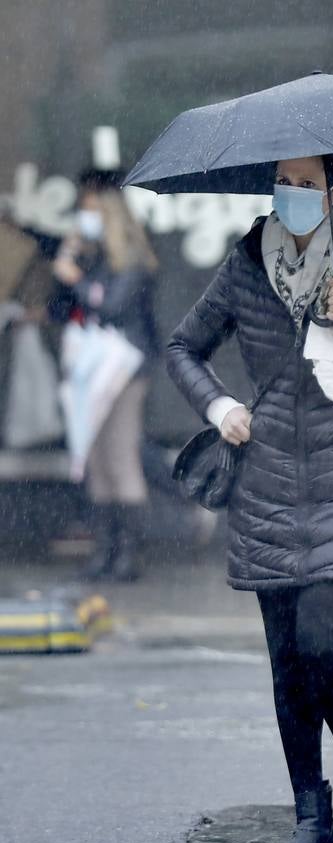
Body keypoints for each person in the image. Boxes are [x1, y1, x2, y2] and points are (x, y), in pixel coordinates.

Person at [164, 153, 333, 843]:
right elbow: (185, 345)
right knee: (286, 660)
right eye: (285, 183)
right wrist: (220, 407)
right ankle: (310, 818)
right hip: (269, 473)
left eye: (308, 185)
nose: (293, 195)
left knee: (320, 637)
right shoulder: (249, 260)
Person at [51, 169, 159, 581]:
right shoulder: (95, 257)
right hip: (89, 370)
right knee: (95, 460)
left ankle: (129, 552)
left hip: (123, 371)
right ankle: (106, 547)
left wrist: (76, 279)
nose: (85, 214)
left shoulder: (132, 261)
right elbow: (66, 306)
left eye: (91, 207)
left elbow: (112, 307)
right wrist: (72, 260)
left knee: (120, 456)